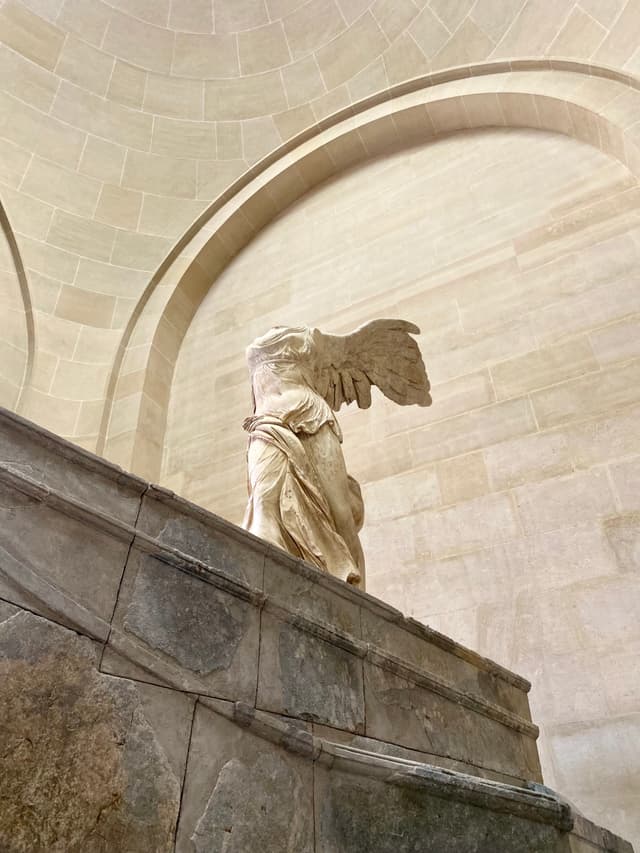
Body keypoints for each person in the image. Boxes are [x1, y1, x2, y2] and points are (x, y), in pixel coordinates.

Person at [242, 321, 431, 587]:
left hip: (311, 416)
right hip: (267, 423)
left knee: (340, 513)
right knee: (264, 509)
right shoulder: (263, 347)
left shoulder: (313, 340)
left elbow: (357, 349)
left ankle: (358, 592)